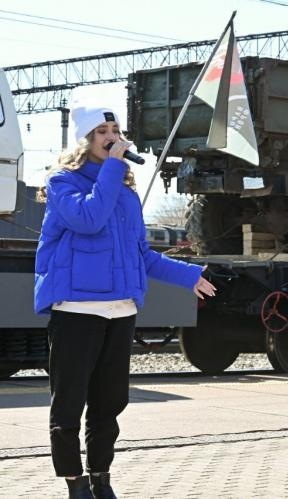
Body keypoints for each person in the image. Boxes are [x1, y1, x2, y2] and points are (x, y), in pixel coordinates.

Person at [34, 102, 216, 499]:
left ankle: (101, 478)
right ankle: (74, 483)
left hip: (120, 310)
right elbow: (89, 219)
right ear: (85, 140)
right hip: (77, 309)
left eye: (115, 131)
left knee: (110, 403)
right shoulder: (63, 182)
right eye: (102, 132)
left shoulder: (126, 193)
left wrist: (189, 276)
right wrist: (114, 170)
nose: (112, 137)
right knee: (69, 404)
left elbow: (141, 255)